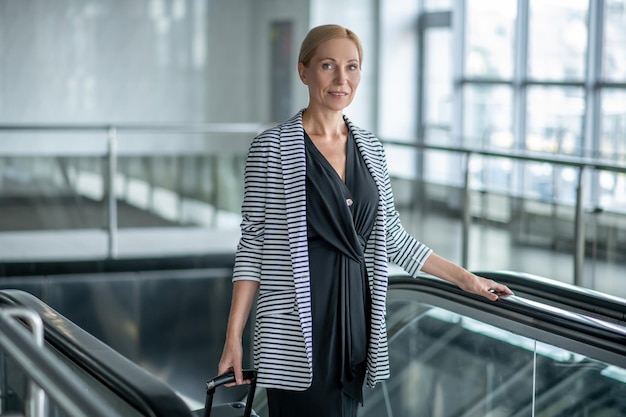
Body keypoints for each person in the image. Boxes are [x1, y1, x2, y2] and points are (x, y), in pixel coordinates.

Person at [218, 24, 513, 417]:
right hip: (295, 331)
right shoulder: (270, 147)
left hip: (355, 323)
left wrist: (466, 279)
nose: (342, 79)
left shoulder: (371, 148)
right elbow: (253, 243)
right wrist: (233, 336)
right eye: (328, 65)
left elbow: (391, 235)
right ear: (304, 71)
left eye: (352, 67)